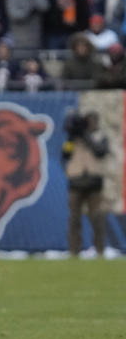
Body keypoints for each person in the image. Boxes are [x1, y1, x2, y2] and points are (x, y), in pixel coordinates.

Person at [62, 111, 109, 258]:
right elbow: (65, 154)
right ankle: (74, 252)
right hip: (76, 183)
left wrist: (85, 136)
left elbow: (100, 151)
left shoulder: (101, 137)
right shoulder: (73, 138)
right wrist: (72, 137)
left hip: (94, 183)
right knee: (74, 219)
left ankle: (100, 251)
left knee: (97, 218)